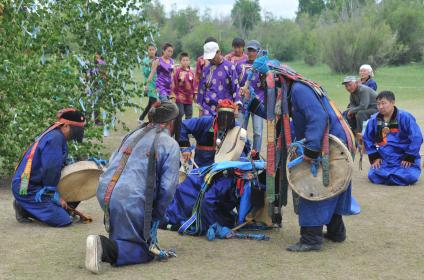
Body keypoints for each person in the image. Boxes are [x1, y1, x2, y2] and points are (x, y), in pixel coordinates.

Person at [243, 52, 359, 252]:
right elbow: (279, 117)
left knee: (312, 185)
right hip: (334, 139)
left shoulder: (298, 90)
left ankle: (311, 240)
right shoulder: (291, 90)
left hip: (329, 143)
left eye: (264, 80)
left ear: (276, 78)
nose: (263, 85)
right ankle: (336, 232)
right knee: (331, 187)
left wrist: (312, 150)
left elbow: (318, 117)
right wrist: (253, 104)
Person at [85, 101, 180, 274]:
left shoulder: (132, 134)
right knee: (144, 251)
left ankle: (111, 244)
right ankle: (103, 247)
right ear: (172, 121)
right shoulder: (170, 144)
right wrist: (156, 215)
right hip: (131, 199)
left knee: (127, 235)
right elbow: (168, 187)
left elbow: (113, 161)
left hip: (106, 191)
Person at [12, 108, 86, 227]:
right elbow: (50, 169)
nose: (75, 135)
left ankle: (34, 206)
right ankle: (24, 208)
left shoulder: (57, 135)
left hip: (38, 183)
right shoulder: (55, 138)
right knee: (63, 220)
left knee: (77, 188)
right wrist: (53, 194)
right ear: (66, 126)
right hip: (27, 187)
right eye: (76, 131)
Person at [363, 91, 422, 186]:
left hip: (403, 158)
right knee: (373, 175)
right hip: (385, 158)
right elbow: (367, 138)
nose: (380, 107)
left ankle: (393, 176)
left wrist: (409, 156)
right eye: (378, 104)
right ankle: (390, 176)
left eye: (383, 103)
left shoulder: (405, 117)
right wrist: (375, 156)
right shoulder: (374, 119)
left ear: (392, 103)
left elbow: (416, 137)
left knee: (410, 176)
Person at [178, 99, 247, 167]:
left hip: (224, 167)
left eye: (228, 116)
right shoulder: (205, 122)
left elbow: (243, 147)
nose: (225, 119)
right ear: (217, 114)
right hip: (202, 166)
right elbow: (182, 125)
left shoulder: (236, 128)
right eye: (223, 115)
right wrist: (185, 148)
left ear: (233, 117)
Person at [236, 40, 265, 153]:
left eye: (253, 50)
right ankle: (242, 153)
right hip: (243, 103)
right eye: (249, 50)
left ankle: (255, 154)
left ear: (258, 52)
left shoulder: (263, 66)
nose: (251, 52)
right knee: (241, 131)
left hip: (258, 102)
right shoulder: (240, 66)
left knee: (258, 131)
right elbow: (236, 84)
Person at [197, 42, 240, 116]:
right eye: (209, 58)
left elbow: (235, 88)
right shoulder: (206, 69)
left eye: (212, 57)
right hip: (207, 109)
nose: (211, 60)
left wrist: (236, 108)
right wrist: (200, 110)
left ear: (219, 52)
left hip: (225, 109)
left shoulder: (230, 67)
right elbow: (201, 90)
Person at [171, 52, 196, 141]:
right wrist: (180, 80)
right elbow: (174, 84)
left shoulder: (191, 72)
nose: (185, 62)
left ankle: (185, 135)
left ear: (189, 61)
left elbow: (194, 84)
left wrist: (194, 95)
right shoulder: (178, 71)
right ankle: (175, 133)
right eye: (183, 60)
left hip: (189, 98)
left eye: (187, 60)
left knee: (189, 115)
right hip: (180, 97)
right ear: (180, 61)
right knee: (180, 114)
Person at [139, 43, 158, 122]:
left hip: (157, 83)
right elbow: (146, 73)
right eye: (150, 50)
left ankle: (141, 118)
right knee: (155, 102)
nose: (151, 51)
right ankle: (154, 120)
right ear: (147, 51)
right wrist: (150, 67)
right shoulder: (144, 61)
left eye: (153, 50)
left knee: (151, 103)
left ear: (155, 50)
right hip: (149, 84)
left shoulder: (157, 59)